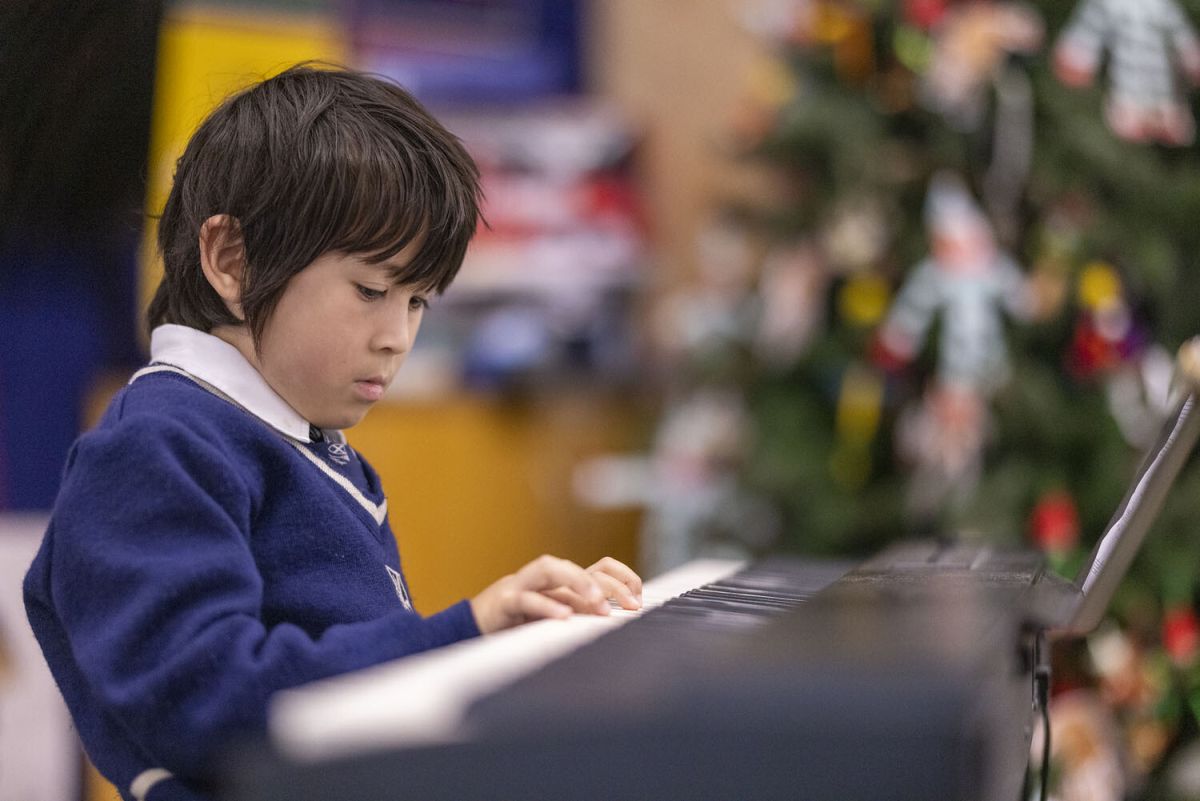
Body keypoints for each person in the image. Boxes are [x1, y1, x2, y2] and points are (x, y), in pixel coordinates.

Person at [23, 63, 642, 801]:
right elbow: (205, 696)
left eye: (418, 304)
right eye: (372, 290)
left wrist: (516, 646)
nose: (396, 337)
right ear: (231, 259)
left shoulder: (306, 444)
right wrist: (462, 635)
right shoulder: (158, 446)